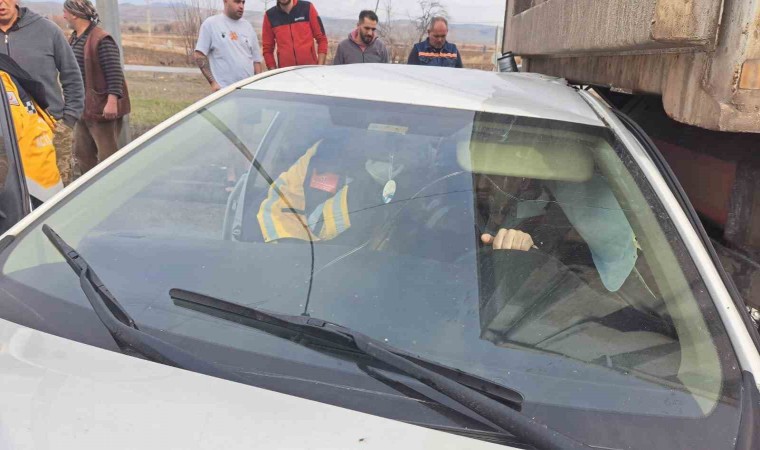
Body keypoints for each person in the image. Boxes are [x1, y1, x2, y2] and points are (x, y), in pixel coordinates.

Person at [255, 131, 533, 252]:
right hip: (313, 281)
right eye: (383, 134)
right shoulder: (322, 155)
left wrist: (517, 246)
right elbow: (274, 211)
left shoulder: (437, 185)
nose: (391, 142)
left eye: (400, 140)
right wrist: (292, 256)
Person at [0, 0, 84, 185]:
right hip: (3, 136)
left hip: (50, 129)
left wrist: (67, 122)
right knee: (8, 195)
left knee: (56, 193)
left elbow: (72, 77)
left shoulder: (47, 30)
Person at [64, 0, 130, 176]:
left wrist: (112, 101)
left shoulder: (101, 38)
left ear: (75, 14)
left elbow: (114, 72)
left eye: (66, 12)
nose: (63, 16)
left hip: (101, 108)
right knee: (82, 154)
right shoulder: (75, 38)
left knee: (108, 156)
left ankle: (114, 185)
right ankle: (91, 187)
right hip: (83, 108)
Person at [0, 54, 62, 205]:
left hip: (30, 180)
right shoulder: (6, 69)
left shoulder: (3, 80)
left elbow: (11, 129)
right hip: (42, 170)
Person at [194, 0, 263, 92]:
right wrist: (213, 83)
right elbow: (199, 55)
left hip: (247, 90)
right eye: (237, 2)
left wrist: (257, 85)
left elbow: (256, 61)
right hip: (224, 91)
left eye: (243, 2)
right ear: (225, 1)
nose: (241, 6)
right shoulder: (211, 24)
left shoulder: (248, 27)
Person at [262, 0, 328, 69]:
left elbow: (322, 39)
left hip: (310, 70)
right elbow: (267, 50)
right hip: (286, 72)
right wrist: (274, 72)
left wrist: (319, 67)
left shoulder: (307, 8)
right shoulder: (270, 15)